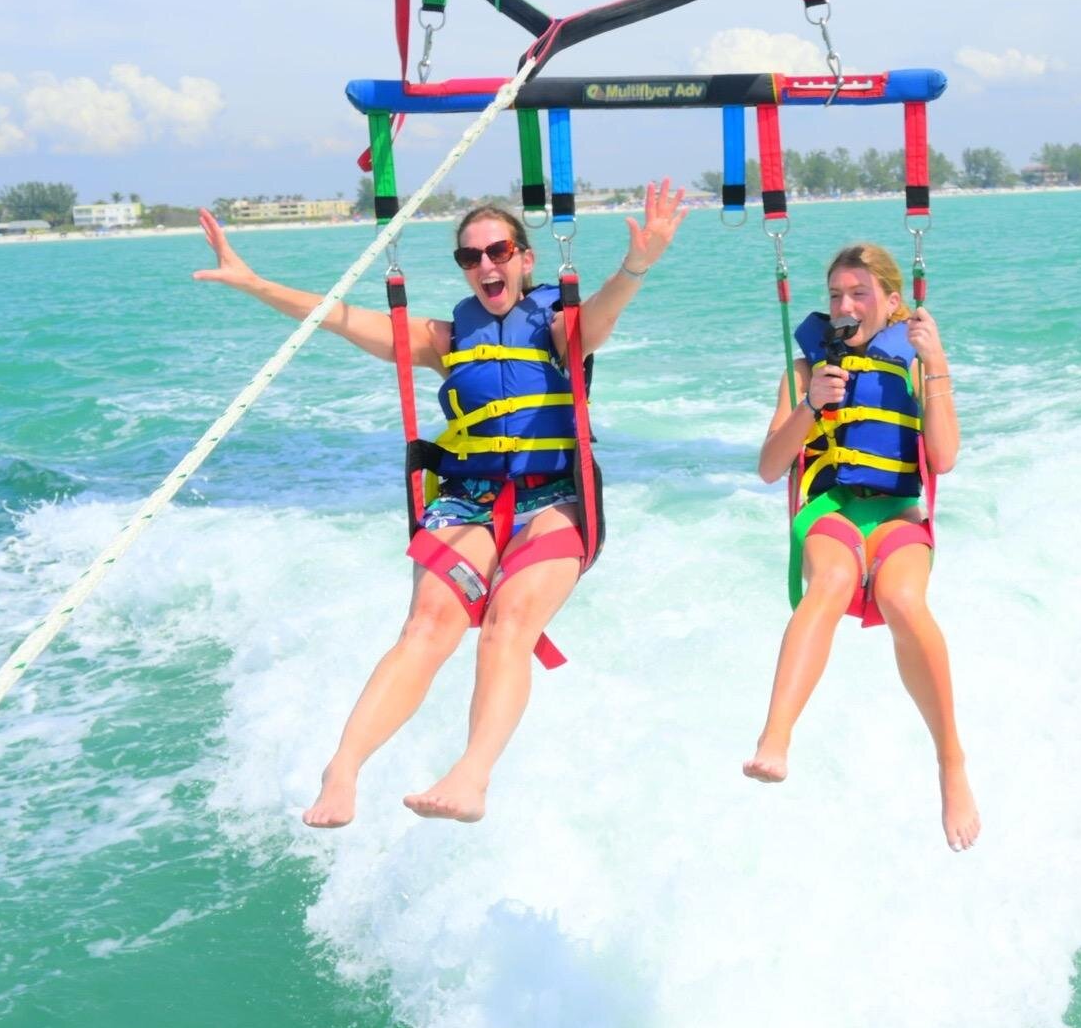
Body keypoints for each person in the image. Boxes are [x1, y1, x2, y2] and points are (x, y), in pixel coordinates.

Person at [193, 183, 688, 825]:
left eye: (498, 251)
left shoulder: (559, 327)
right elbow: (337, 316)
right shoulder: (445, 338)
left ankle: (470, 775)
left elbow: (604, 312)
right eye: (470, 257)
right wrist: (254, 283)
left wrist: (636, 265)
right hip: (468, 501)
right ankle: (342, 769)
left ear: (525, 258)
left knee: (509, 624)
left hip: (555, 499)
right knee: (426, 627)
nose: (485, 265)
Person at [744, 242, 978, 851]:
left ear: (892, 303)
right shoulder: (804, 373)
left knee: (903, 599)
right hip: (832, 511)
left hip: (898, 515)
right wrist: (810, 407)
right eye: (835, 296)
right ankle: (776, 736)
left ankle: (951, 761)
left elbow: (944, 457)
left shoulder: (917, 365)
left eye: (858, 294)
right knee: (829, 582)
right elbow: (770, 468)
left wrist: (937, 361)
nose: (844, 306)